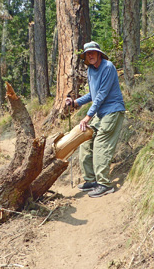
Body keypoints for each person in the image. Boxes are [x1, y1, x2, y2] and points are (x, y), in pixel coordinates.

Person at [66, 41, 125, 198]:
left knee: (101, 144)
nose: (90, 55)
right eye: (87, 53)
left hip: (113, 110)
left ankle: (104, 184)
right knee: (85, 140)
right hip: (100, 114)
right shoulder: (91, 70)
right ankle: (91, 180)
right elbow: (93, 94)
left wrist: (87, 116)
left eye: (93, 52)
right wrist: (75, 102)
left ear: (99, 53)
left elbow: (101, 95)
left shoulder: (108, 67)